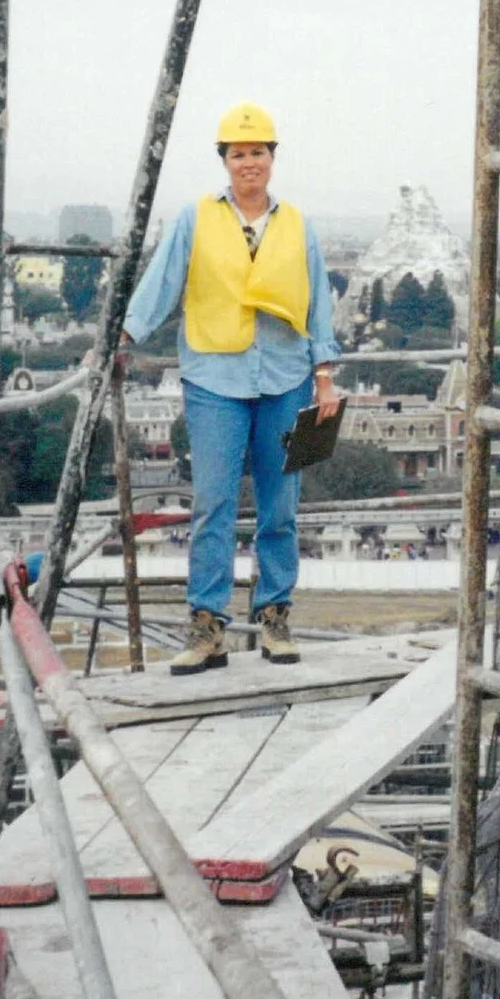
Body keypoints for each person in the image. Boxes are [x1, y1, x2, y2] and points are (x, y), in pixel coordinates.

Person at [123, 102, 342, 674]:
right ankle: (207, 628)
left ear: (273, 158)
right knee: (214, 503)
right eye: (239, 154)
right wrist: (123, 335)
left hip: (285, 379)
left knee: (280, 506)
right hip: (215, 377)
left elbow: (317, 301)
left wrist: (324, 375)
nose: (249, 163)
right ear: (225, 160)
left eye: (258, 153)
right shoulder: (197, 219)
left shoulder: (296, 224)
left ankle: (275, 619)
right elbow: (162, 282)